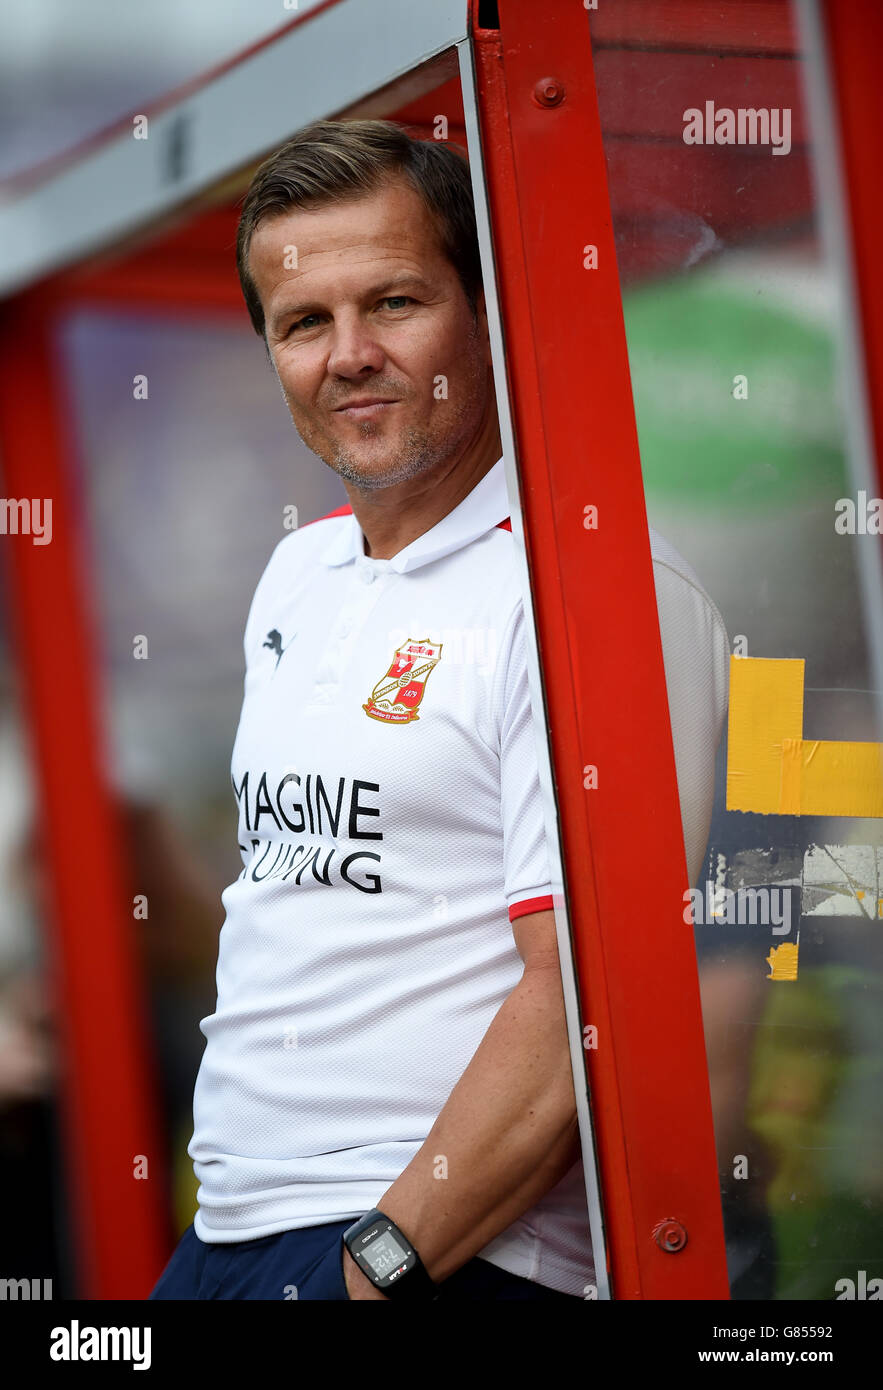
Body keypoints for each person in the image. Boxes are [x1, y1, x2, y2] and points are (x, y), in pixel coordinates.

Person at [149, 118, 728, 1301]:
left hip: (435, 1248)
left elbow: (584, 987)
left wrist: (384, 1261)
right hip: (231, 1229)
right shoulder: (298, 575)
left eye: (396, 302)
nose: (349, 353)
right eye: (305, 322)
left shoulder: (591, 588)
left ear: (487, 311)